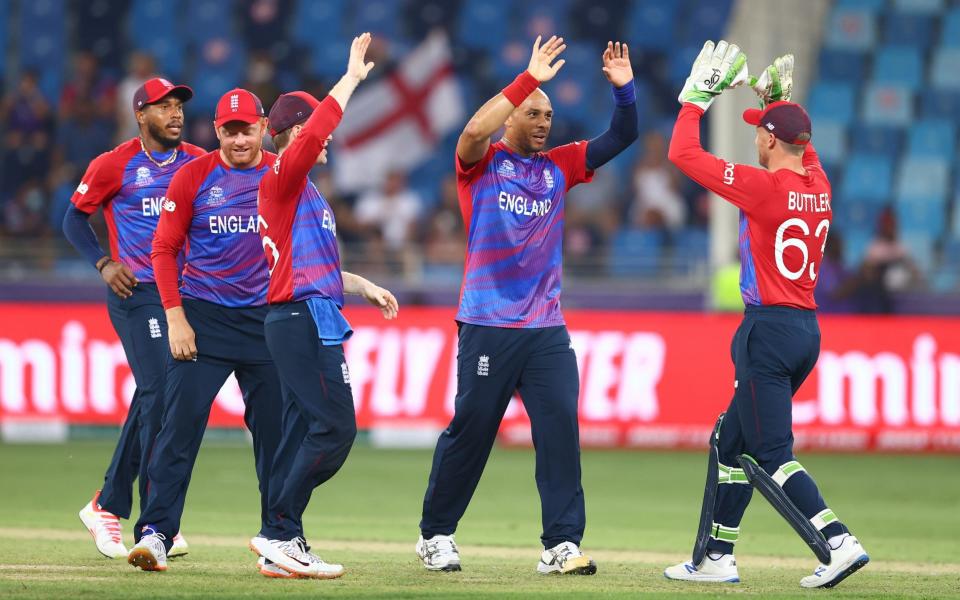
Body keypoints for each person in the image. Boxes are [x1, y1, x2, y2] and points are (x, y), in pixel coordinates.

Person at [415, 36, 638, 575]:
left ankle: (560, 543)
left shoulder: (561, 165)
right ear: (510, 116)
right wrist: (528, 78)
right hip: (488, 322)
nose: (543, 121)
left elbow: (622, 135)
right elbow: (471, 130)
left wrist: (625, 90)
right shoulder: (481, 165)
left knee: (560, 426)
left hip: (545, 328)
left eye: (549, 114)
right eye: (533, 112)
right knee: (472, 428)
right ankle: (435, 534)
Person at [662, 42, 868, 589]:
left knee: (772, 452)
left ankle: (837, 541)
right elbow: (806, 145)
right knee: (731, 440)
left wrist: (694, 99)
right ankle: (715, 557)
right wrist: (779, 99)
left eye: (759, 129)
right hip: (804, 331)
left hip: (766, 332)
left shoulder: (763, 188)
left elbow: (683, 155)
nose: (754, 136)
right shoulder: (817, 186)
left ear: (769, 140)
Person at [251, 32, 399, 580]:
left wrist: (361, 286)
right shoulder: (284, 176)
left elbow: (311, 268)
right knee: (335, 429)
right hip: (299, 319)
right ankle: (280, 532)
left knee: (301, 432)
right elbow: (317, 130)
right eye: (313, 129)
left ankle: (282, 538)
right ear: (292, 132)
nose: (326, 140)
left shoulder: (304, 191)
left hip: (305, 314)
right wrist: (353, 78)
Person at [126, 88, 283, 574]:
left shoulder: (281, 174)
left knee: (276, 439)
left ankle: (280, 538)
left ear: (262, 126)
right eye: (230, 131)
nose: (239, 139)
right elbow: (164, 249)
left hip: (265, 323)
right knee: (178, 432)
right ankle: (156, 534)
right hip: (204, 320)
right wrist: (175, 317)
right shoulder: (194, 175)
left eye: (247, 129)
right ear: (217, 131)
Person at [64, 77, 202, 560]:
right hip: (138, 292)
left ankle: (147, 518)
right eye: (163, 107)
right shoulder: (114, 164)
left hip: (184, 297)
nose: (175, 114)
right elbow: (73, 218)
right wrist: (104, 263)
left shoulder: (198, 162)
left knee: (165, 396)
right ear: (141, 115)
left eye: (179, 106)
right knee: (160, 390)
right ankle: (111, 507)